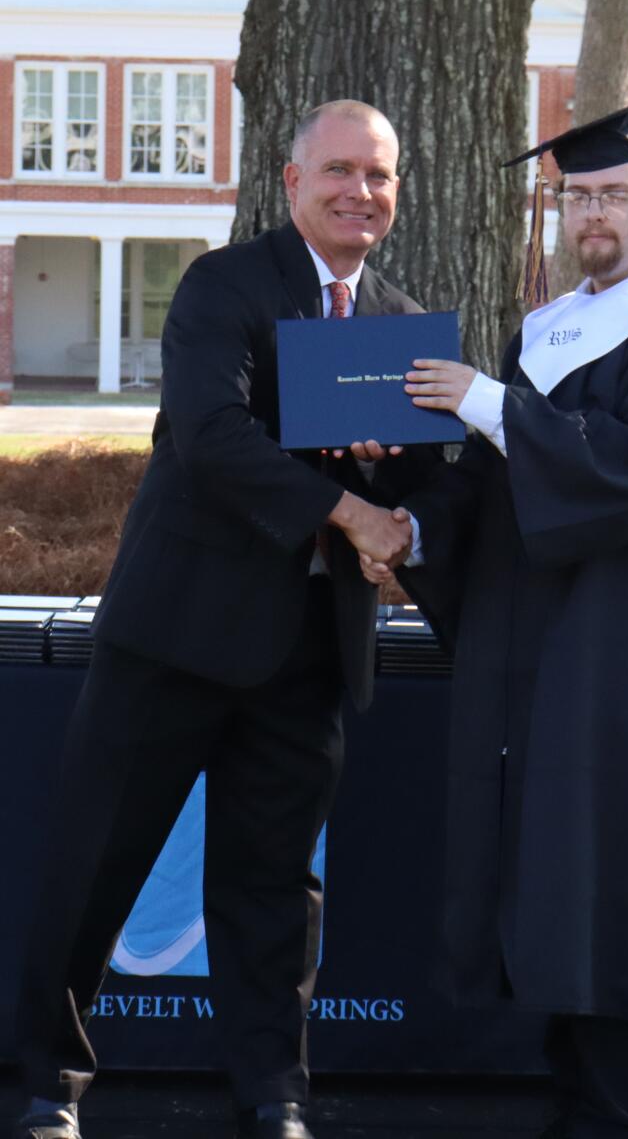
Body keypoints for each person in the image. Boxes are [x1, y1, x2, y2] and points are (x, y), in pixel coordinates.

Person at [14, 100, 433, 1139]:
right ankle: (38, 1086)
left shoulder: (399, 322)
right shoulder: (224, 286)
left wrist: (408, 508)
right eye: (338, 171)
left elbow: (421, 482)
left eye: (378, 176)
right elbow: (208, 434)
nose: (359, 193)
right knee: (96, 867)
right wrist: (345, 504)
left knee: (275, 891)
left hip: (309, 647)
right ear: (292, 183)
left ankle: (271, 1095)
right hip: (176, 636)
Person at [366, 89, 628, 1139]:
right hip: (524, 629)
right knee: (538, 849)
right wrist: (406, 528)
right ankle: (568, 1090)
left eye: (614, 193)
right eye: (573, 194)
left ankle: (620, 1106)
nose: (591, 212)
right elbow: (492, 486)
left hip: (624, 632)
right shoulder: (540, 331)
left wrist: (484, 402)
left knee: (614, 846)